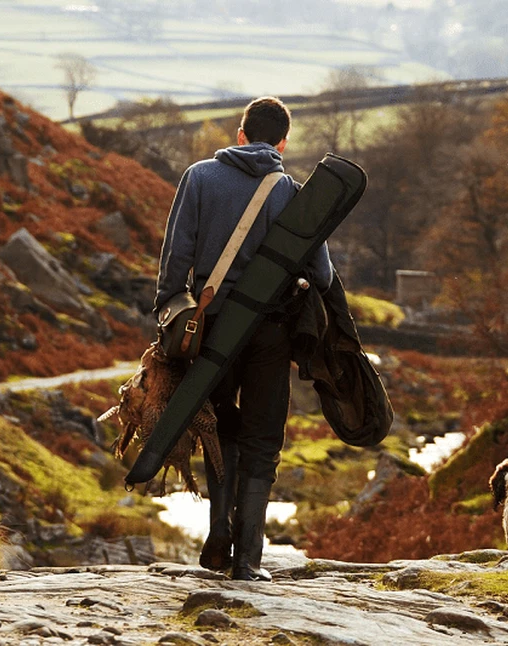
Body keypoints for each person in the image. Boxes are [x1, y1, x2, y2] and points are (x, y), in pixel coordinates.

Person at [153, 96, 333, 581]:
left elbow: (175, 258)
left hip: (211, 327)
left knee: (217, 429)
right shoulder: (292, 193)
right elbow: (321, 271)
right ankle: (249, 560)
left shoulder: (198, 177)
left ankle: (217, 535)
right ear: (282, 143)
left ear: (239, 134)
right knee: (261, 438)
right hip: (270, 332)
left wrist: (172, 316)